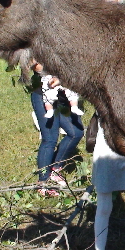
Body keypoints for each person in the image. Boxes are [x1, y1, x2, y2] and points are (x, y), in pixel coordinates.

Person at [86, 0, 125, 250]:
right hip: (107, 127)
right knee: (104, 196)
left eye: (110, 3)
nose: (106, 8)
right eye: (101, 3)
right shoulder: (90, 42)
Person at [29, 59, 84, 195]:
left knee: (76, 132)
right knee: (50, 138)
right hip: (43, 93)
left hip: (63, 94)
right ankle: (43, 182)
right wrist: (59, 75)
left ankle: (55, 168)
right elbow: (35, 66)